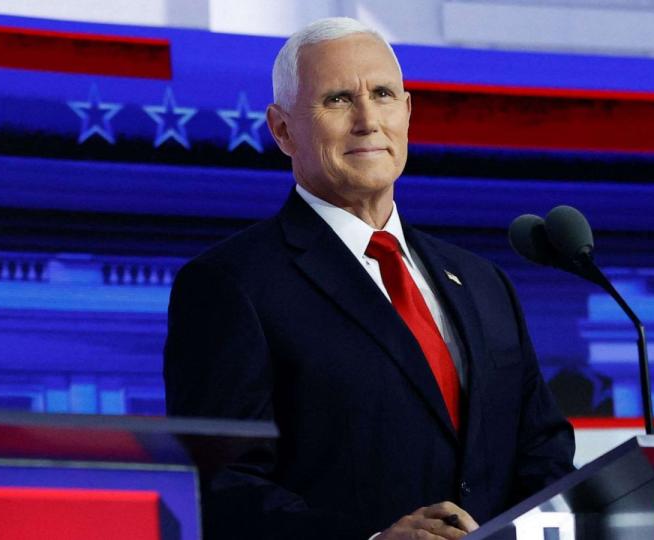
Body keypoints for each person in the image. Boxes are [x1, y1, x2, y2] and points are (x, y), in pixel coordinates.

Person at [163, 17, 575, 540]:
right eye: (337, 99)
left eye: (382, 94)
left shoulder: (482, 281)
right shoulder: (229, 283)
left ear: (406, 112)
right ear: (283, 128)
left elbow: (544, 453)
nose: (366, 120)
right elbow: (221, 485)